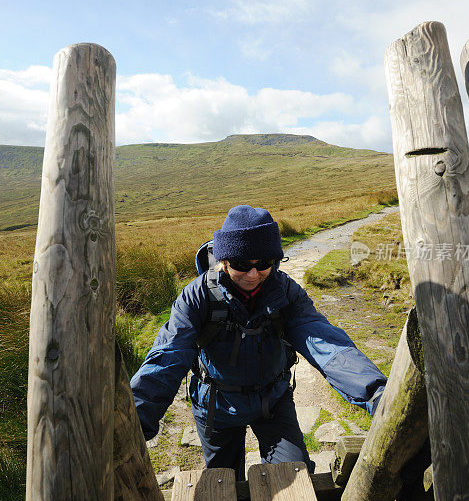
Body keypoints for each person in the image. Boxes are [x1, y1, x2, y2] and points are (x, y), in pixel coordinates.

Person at [131, 205, 386, 480]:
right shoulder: (197, 297)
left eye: (263, 263)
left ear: (274, 261)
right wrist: (133, 422)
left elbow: (327, 344)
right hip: (217, 406)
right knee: (223, 486)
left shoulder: (286, 292)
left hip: (273, 402)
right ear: (224, 260)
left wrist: (380, 395)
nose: (253, 275)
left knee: (295, 476)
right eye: (241, 264)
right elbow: (169, 356)